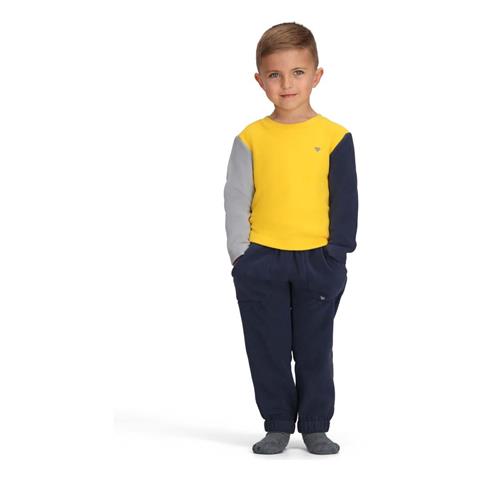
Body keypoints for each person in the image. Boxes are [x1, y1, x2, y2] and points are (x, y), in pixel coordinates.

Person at [223, 21, 358, 455]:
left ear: (316, 76)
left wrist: (337, 254)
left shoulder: (335, 137)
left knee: (315, 347)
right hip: (261, 260)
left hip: (318, 260)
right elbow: (236, 197)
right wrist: (241, 256)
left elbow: (346, 201)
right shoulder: (251, 138)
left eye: (298, 72)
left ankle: (316, 424)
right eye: (275, 75)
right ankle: (278, 423)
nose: (287, 84)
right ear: (259, 80)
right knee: (268, 347)